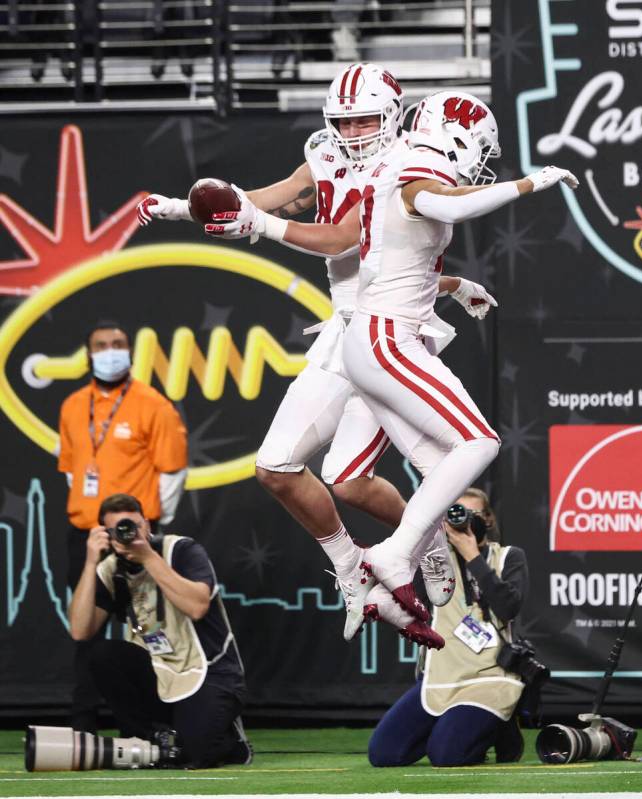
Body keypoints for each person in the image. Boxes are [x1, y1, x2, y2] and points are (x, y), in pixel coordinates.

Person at [136, 66, 495, 644]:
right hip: (343, 331)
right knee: (274, 467)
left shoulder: (410, 158)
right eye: (343, 119)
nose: (352, 131)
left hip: (390, 334)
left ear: (394, 115)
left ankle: (429, 552)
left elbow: (343, 238)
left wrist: (258, 225)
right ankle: (354, 565)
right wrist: (188, 208)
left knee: (357, 480)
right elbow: (275, 197)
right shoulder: (326, 152)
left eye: (364, 118)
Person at [207, 89, 577, 634]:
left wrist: (454, 284)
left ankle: (401, 567)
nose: (353, 132)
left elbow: (390, 256)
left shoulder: (393, 166)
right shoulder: (412, 165)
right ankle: (392, 556)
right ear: (458, 139)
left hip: (375, 332)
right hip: (383, 337)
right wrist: (531, 182)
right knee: (478, 443)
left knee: (406, 472)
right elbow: (414, 216)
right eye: (477, 148)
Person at [58, 320, 188, 732]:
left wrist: (148, 528)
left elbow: (172, 474)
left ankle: (146, 722)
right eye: (101, 345)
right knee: (86, 635)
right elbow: (70, 470)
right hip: (87, 535)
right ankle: (83, 724)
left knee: (147, 631)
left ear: (130, 352)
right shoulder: (72, 405)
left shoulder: (153, 404)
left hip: (136, 540)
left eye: (118, 344)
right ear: (88, 354)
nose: (110, 351)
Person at [68, 493, 251, 769]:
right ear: (106, 535)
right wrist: (91, 562)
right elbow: (80, 631)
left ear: (147, 525)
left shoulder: (182, 550)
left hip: (208, 672)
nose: (129, 534)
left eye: (134, 526)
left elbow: (198, 606)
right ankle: (144, 738)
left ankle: (230, 740)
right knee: (103, 653)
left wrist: (148, 557)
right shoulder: (110, 569)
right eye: (118, 529)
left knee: (195, 755)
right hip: (158, 671)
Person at [367, 488, 528, 767]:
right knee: (384, 754)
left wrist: (472, 556)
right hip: (440, 678)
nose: (463, 521)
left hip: (489, 677)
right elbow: (408, 605)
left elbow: (508, 608)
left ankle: (499, 729)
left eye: (472, 515)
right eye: (455, 514)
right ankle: (467, 725)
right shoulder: (433, 561)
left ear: (488, 520)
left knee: (447, 755)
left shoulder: (509, 557)